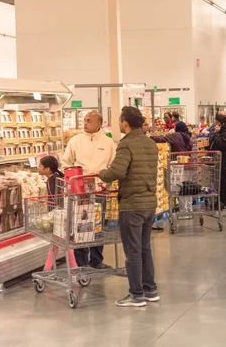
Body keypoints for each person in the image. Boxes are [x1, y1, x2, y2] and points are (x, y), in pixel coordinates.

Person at [98, 106, 159, 307]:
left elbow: (118, 171)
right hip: (149, 203)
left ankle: (136, 295)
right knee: (144, 248)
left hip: (132, 204)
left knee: (132, 251)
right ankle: (150, 290)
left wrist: (101, 174)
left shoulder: (126, 145)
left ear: (125, 123)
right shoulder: (151, 144)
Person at [61, 111, 115, 270]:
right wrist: (72, 180)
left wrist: (107, 183)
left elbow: (113, 165)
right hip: (79, 191)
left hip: (99, 190)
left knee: (98, 226)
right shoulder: (75, 141)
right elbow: (66, 163)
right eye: (84, 120)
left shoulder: (108, 142)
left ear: (99, 124)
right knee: (80, 226)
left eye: (89, 121)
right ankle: (80, 261)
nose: (85, 123)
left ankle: (97, 260)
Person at [39, 156, 78, 270]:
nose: (38, 168)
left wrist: (53, 214)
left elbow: (57, 199)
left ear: (47, 169)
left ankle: (74, 268)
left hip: (59, 215)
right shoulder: (57, 178)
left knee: (62, 243)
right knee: (56, 243)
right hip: (60, 214)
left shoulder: (54, 180)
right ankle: (47, 268)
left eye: (40, 166)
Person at [210, 113, 226, 210]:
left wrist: (216, 133)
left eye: (217, 123)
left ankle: (224, 201)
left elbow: (221, 144)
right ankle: (219, 200)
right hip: (218, 159)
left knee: (222, 181)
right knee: (218, 181)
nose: (216, 125)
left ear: (222, 123)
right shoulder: (221, 131)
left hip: (224, 160)